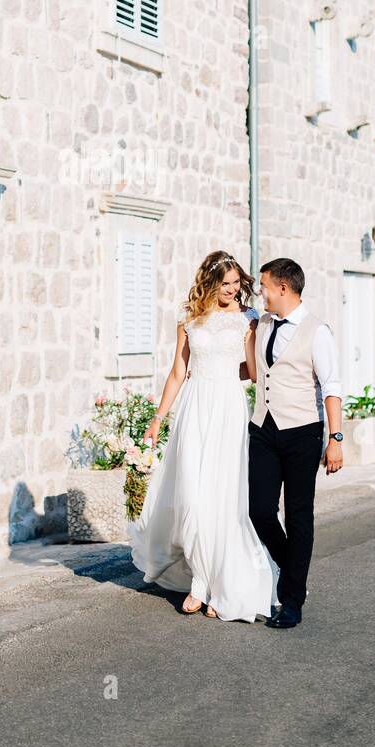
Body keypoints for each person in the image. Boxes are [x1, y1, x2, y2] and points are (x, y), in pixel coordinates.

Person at [129, 251, 279, 622]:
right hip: (194, 410)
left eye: (235, 283)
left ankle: (219, 585)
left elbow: (255, 371)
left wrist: (227, 374)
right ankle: (198, 578)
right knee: (192, 498)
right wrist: (158, 418)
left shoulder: (248, 319)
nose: (231, 290)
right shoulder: (188, 319)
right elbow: (178, 371)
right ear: (209, 283)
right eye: (224, 284)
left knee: (225, 499)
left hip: (228, 407)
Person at [246, 257, 343, 630]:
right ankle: (294, 575)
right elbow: (255, 371)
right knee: (260, 511)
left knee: (299, 515)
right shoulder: (262, 323)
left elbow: (332, 388)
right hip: (263, 429)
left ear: (283, 288)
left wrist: (335, 439)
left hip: (303, 431)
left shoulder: (318, 331)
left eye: (264, 286)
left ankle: (291, 601)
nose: (261, 292)